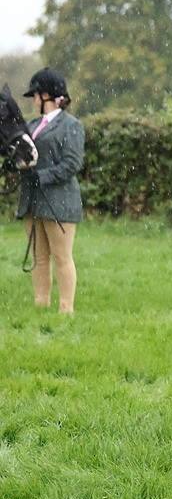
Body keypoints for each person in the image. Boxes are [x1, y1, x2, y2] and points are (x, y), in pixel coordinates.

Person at [17, 68, 85, 315]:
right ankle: (41, 305)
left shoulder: (72, 126)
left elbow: (71, 164)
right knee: (39, 257)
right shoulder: (32, 125)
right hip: (32, 200)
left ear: (46, 95)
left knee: (61, 257)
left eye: (35, 94)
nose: (33, 100)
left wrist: (41, 177)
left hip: (59, 200)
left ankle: (66, 308)